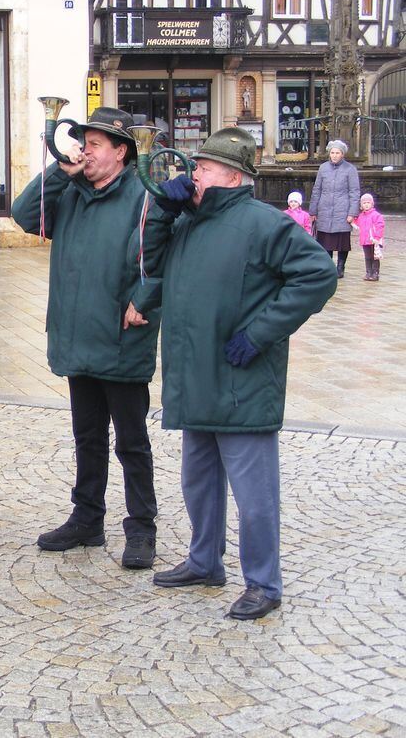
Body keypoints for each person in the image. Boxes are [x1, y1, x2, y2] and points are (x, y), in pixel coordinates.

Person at [146, 128, 337, 620]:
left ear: (233, 176)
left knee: (255, 496)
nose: (194, 176)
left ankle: (263, 583)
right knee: (198, 482)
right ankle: (204, 561)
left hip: (241, 378)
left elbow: (319, 273)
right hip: (197, 376)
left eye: (204, 169)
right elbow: (149, 266)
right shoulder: (188, 221)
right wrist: (164, 216)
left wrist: (261, 333)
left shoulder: (263, 224)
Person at [11, 107, 170, 570]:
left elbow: (165, 254)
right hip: (78, 335)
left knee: (131, 441)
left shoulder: (145, 195)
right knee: (87, 436)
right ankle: (87, 519)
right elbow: (24, 215)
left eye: (95, 143)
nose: (86, 150)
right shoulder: (71, 192)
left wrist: (145, 297)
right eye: (83, 142)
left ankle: (141, 527)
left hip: (122, 336)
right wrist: (60, 171)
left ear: (121, 151)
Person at [308, 139, 360, 278]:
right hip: (324, 209)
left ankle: (340, 266)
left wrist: (352, 213)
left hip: (342, 209)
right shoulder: (323, 168)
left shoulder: (350, 169)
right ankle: (328, 266)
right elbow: (317, 189)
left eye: (338, 153)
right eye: (332, 152)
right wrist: (313, 210)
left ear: (343, 154)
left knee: (342, 241)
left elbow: (354, 192)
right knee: (325, 241)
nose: (335, 155)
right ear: (329, 154)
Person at [352, 193, 385, 281]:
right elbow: (356, 224)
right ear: (361, 205)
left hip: (373, 240)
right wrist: (352, 219)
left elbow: (380, 227)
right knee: (367, 257)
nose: (366, 205)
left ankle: (375, 273)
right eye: (364, 203)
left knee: (374, 257)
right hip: (364, 240)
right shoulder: (361, 216)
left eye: (368, 202)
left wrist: (377, 238)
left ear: (372, 204)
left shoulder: (376, 215)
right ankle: (368, 272)